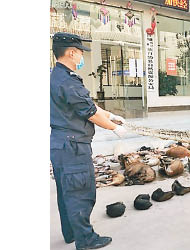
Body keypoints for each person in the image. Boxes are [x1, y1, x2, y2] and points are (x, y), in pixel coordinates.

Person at [50, 32, 127, 249]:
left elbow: (87, 104)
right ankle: (86, 240)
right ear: (72, 52)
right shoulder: (68, 80)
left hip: (61, 144)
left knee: (66, 193)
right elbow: (89, 112)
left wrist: (111, 115)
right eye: (81, 52)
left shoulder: (57, 76)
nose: (82, 57)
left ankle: (71, 233)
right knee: (81, 193)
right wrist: (114, 128)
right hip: (73, 146)